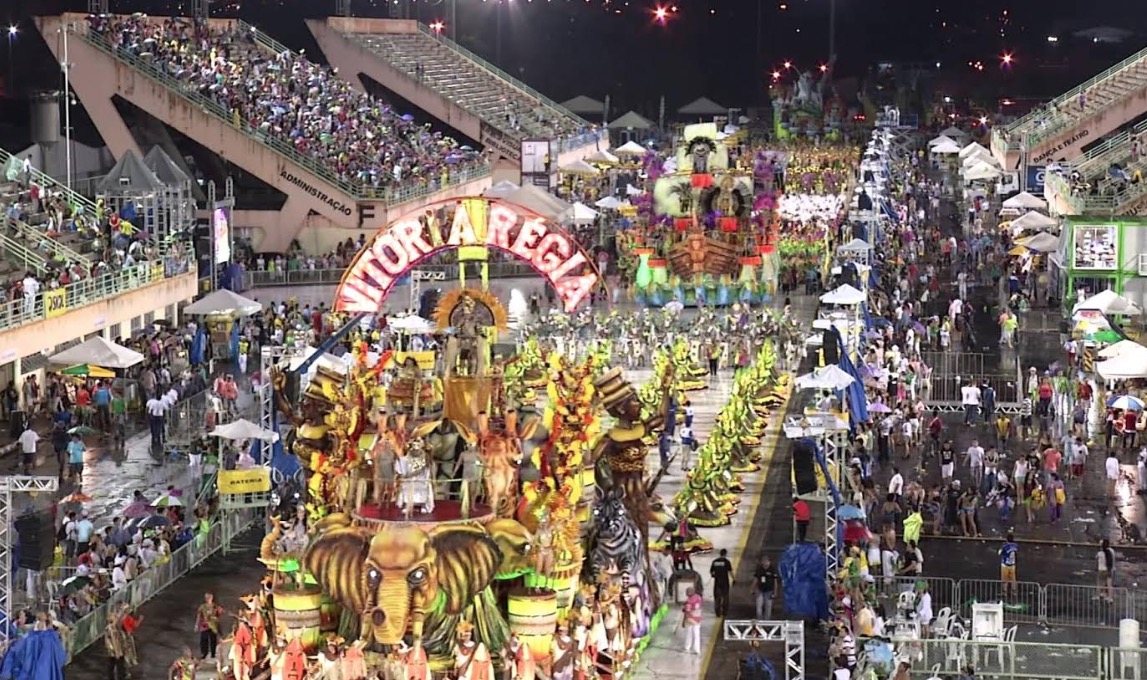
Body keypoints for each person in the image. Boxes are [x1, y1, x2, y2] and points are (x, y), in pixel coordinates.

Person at [196, 592, 224, 660]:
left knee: (213, 639)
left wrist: (220, 612)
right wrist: (197, 625)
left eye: (209, 597)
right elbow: (199, 615)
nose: (208, 599)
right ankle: (204, 653)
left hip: (213, 625)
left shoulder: (215, 606)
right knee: (204, 640)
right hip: (205, 625)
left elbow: (219, 614)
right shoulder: (202, 606)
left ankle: (213, 653)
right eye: (207, 598)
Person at [104, 612, 130, 680]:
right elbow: (107, 640)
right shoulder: (109, 629)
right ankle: (111, 677)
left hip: (119, 649)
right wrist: (111, 649)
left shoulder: (117, 627)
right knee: (111, 665)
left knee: (120, 664)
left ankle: (122, 676)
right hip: (113, 651)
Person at [709, 548, 733, 616]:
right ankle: (725, 612)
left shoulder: (715, 561)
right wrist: (734, 580)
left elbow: (711, 572)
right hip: (725, 582)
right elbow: (730, 572)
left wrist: (713, 575)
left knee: (717, 598)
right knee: (725, 597)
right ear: (725, 554)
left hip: (717, 582)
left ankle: (718, 612)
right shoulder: (727, 562)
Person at [681, 586, 703, 655]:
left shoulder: (689, 601)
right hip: (698, 618)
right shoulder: (698, 598)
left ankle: (687, 647)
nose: (686, 594)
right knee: (697, 634)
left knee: (689, 634)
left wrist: (683, 621)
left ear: (690, 593)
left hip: (690, 619)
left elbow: (687, 612)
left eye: (687, 592)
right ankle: (697, 649)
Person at [999, 532, 1018, 599]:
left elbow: (999, 553)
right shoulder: (1015, 546)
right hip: (1012, 565)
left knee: (1004, 580)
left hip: (1005, 565)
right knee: (1013, 580)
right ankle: (1014, 593)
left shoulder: (1004, 547)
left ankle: (1004, 594)